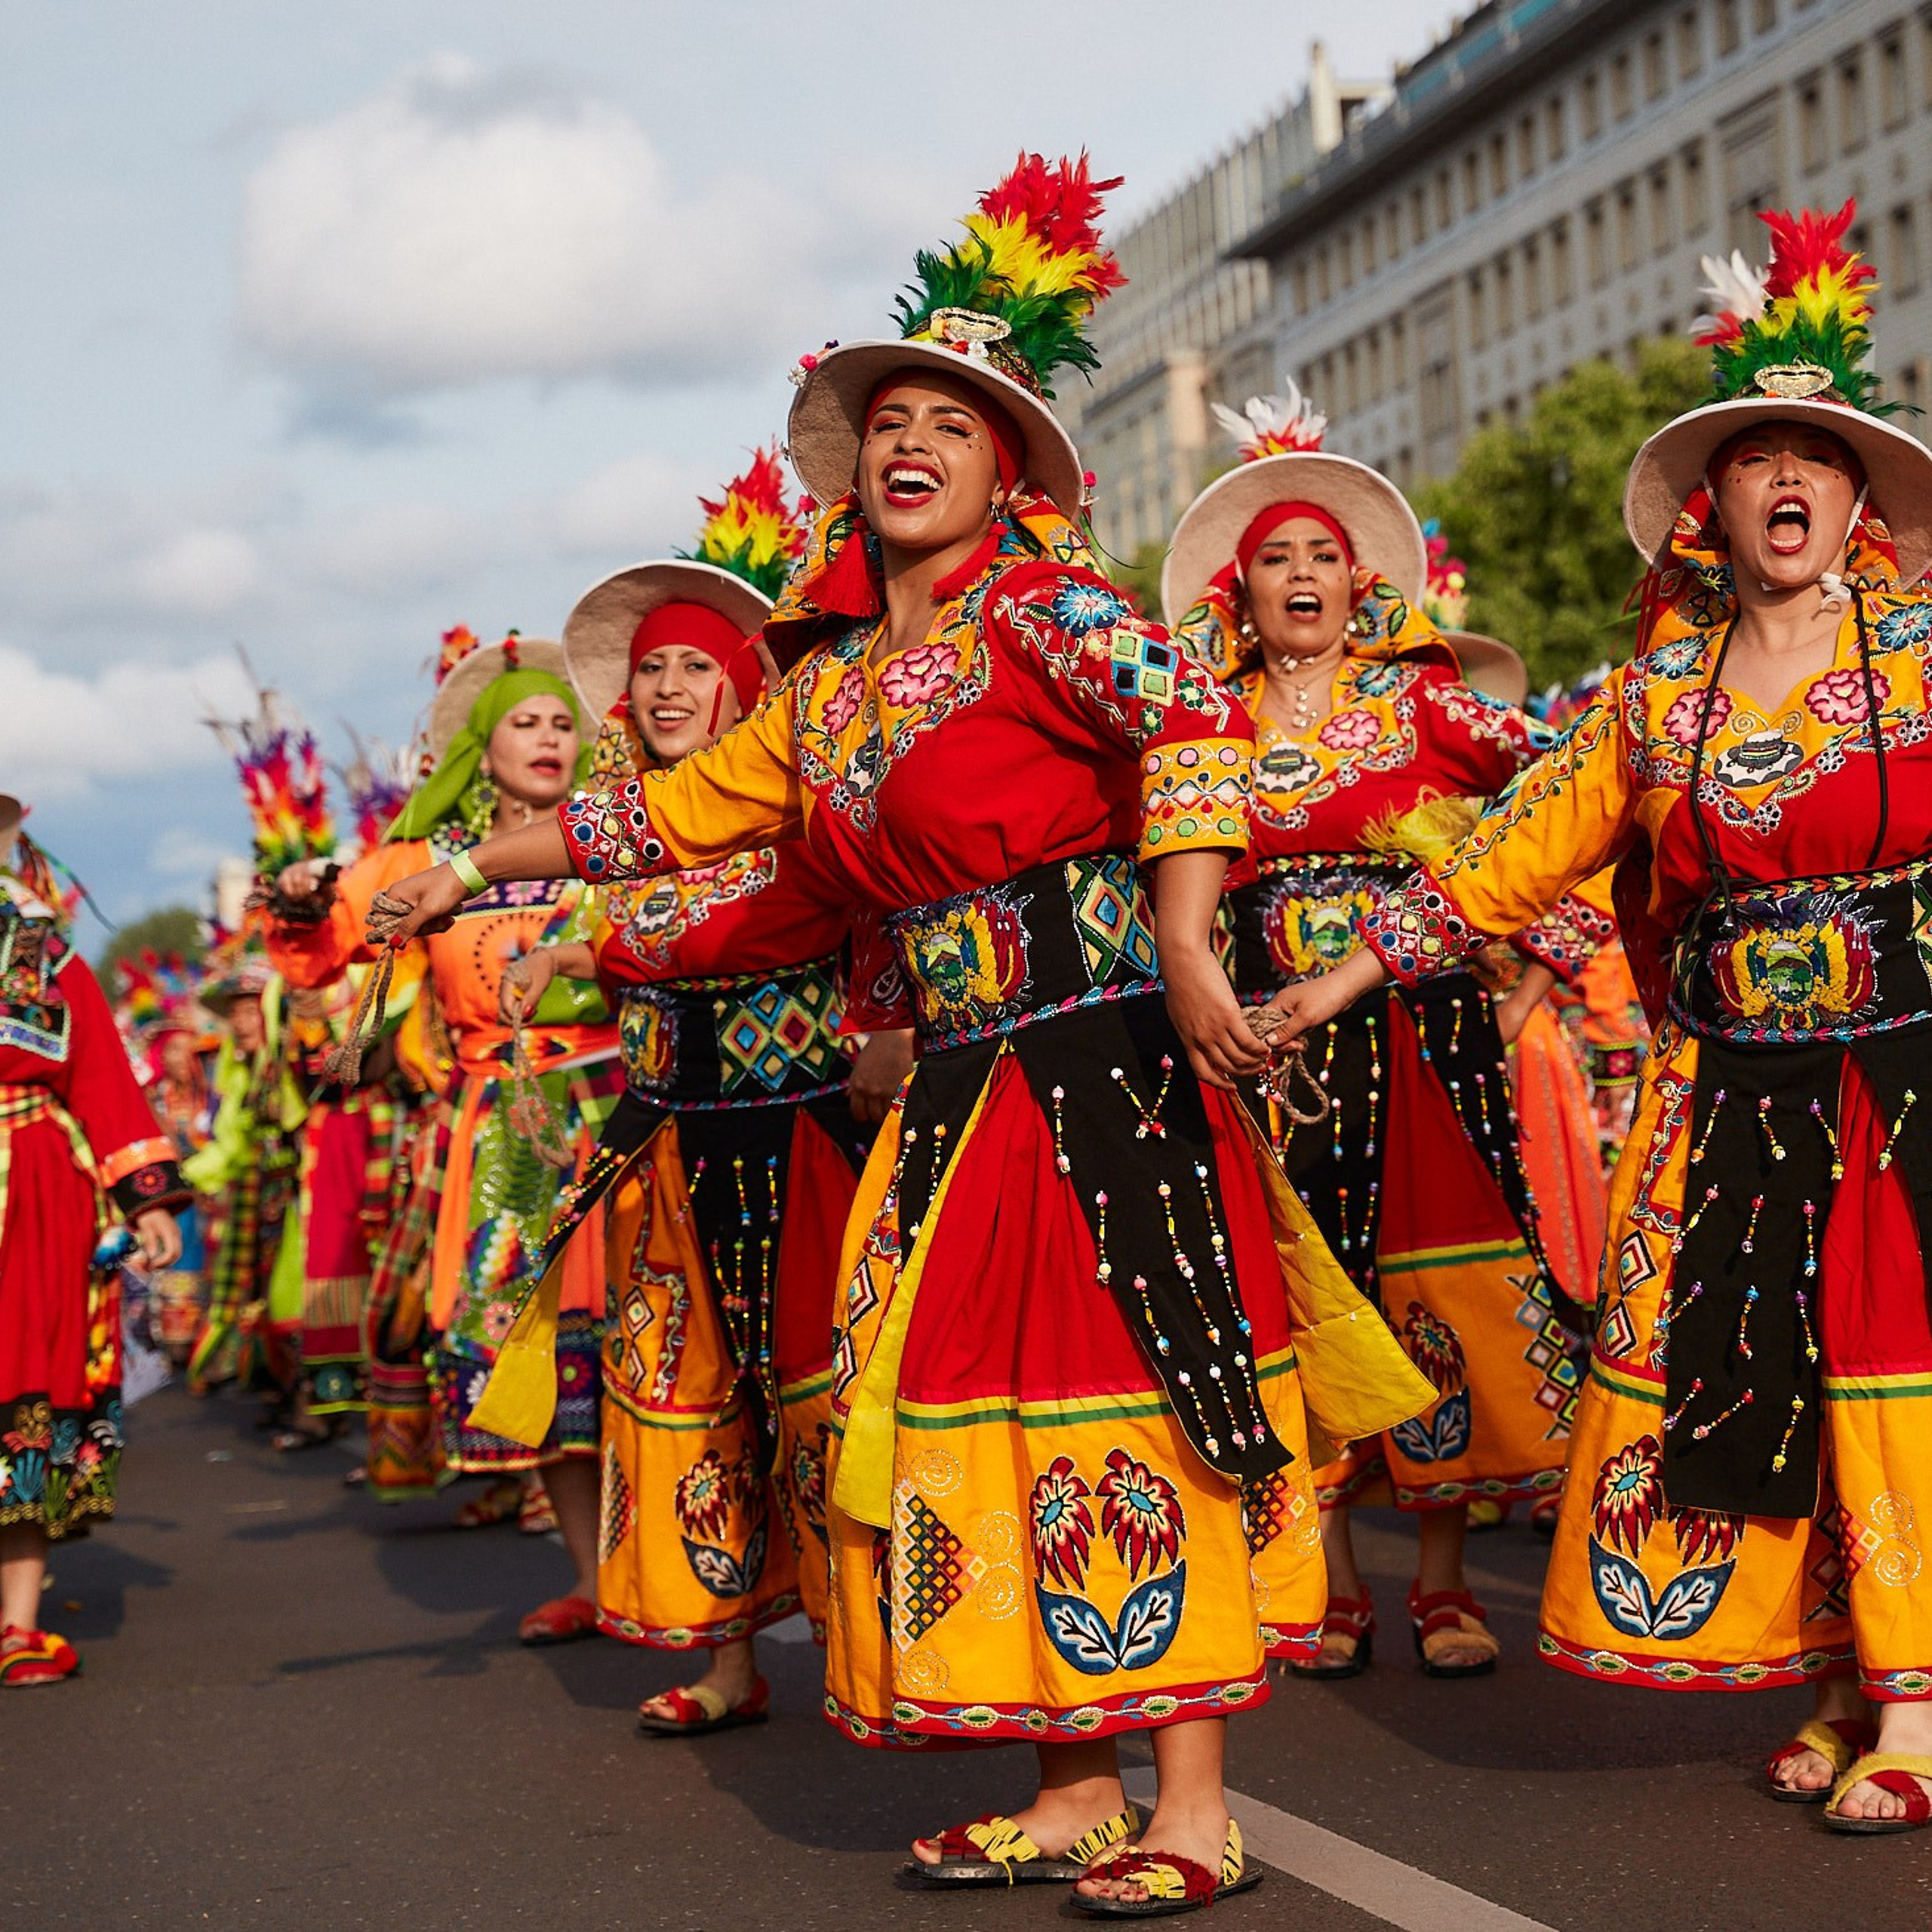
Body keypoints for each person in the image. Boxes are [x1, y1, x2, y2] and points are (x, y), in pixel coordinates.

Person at [368, 154, 1429, 1916]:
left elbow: (1191, 724)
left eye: (946, 418)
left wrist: (1179, 933)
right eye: (883, 424)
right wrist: (451, 861)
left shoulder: (1047, 610)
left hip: (1101, 1061)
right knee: (960, 1409)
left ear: (1007, 466)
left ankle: (1187, 1795)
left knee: (1137, 1391)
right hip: (953, 1086)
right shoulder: (842, 686)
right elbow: (672, 815)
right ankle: (1066, 1776)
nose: (905, 443)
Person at [1265, 203, 1932, 1832]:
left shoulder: (1921, 658)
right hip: (1725, 1091)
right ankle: (1840, 1670)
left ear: (1854, 505)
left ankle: (1917, 1695)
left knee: (1891, 1362)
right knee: (1753, 1364)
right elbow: (1493, 866)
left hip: (1898, 1075)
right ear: (1711, 505)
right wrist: (1324, 984)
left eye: (1813, 459)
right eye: (1752, 458)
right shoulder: (1652, 703)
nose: (1783, 483)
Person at [1162, 380, 1609, 1678]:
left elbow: (1563, 776)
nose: (1298, 574)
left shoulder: (1422, 707)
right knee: (1307, 1292)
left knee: (1441, 1288)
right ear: (1236, 595)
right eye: (1272, 560)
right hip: (1261, 1045)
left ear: (1362, 585)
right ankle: (1332, 1577)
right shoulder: (1207, 718)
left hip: (1417, 1035)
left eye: (1320, 556)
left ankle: (1447, 1580)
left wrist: (1510, 929)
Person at [479, 454, 911, 1701]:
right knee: (691, 1403)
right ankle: (724, 1659)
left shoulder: (793, 811)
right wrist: (568, 942)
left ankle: (867, 1648)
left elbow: (825, 913)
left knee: (817, 1401)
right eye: (652, 668)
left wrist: (889, 1031)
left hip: (805, 1140)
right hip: (670, 1147)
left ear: (742, 691)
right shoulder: (622, 837)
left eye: (695, 668)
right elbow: (640, 945)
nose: (669, 686)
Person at [267, 629, 620, 1617]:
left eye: (563, 722)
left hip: (616, 1110)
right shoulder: (434, 862)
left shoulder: (617, 832)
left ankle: (663, 1573)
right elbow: (329, 934)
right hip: (499, 1128)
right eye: (525, 723)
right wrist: (301, 895)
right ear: (483, 744)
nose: (549, 738)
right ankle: (592, 1581)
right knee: (532, 1344)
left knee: (639, 1338)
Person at [0, 798, 187, 1685]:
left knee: (24, 1380)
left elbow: (103, 1074)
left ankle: (17, 1622)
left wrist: (144, 1195)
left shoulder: (42, 949)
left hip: (35, 1182)